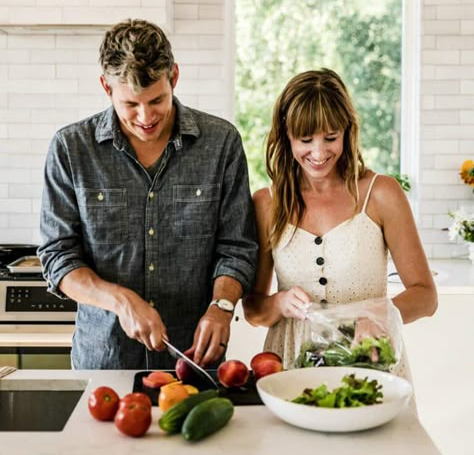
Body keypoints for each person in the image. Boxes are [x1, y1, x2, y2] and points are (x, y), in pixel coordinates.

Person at [38, 19, 257, 370]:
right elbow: (58, 257)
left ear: (174, 76)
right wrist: (121, 300)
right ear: (105, 87)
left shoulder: (221, 143)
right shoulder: (70, 149)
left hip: (195, 360)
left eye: (157, 100)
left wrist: (222, 307)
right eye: (130, 104)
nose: (145, 116)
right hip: (105, 363)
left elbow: (237, 247)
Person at [242, 69, 437, 377]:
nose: (319, 153)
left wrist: (378, 315)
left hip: (371, 365)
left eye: (331, 138)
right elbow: (253, 310)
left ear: (347, 131)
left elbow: (426, 296)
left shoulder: (381, 194)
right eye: (305, 139)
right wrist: (279, 303)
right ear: (286, 135)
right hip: (292, 368)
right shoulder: (267, 203)